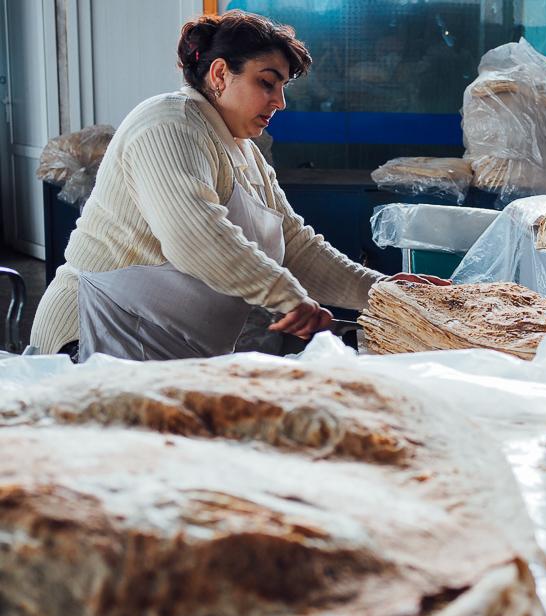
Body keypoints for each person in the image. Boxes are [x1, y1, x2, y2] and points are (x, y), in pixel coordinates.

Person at [30, 10, 447, 362]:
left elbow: (295, 245)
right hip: (93, 342)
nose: (279, 101)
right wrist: (285, 295)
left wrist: (382, 291)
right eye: (267, 82)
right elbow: (195, 236)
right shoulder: (169, 123)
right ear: (219, 74)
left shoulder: (243, 149)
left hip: (164, 349)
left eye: (283, 86)